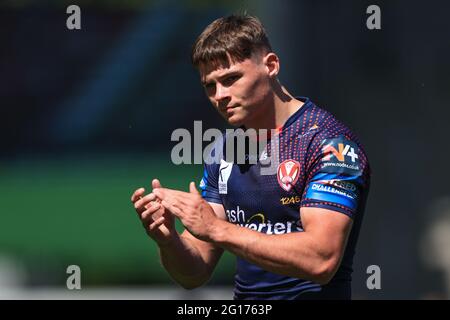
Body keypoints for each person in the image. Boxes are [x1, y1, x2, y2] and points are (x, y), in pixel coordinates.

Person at [131, 14, 371, 300]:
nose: (220, 95)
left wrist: (217, 229)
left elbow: (322, 260)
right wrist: (168, 241)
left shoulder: (330, 145)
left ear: (270, 65)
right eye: (210, 85)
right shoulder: (222, 151)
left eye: (231, 79)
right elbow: (194, 274)